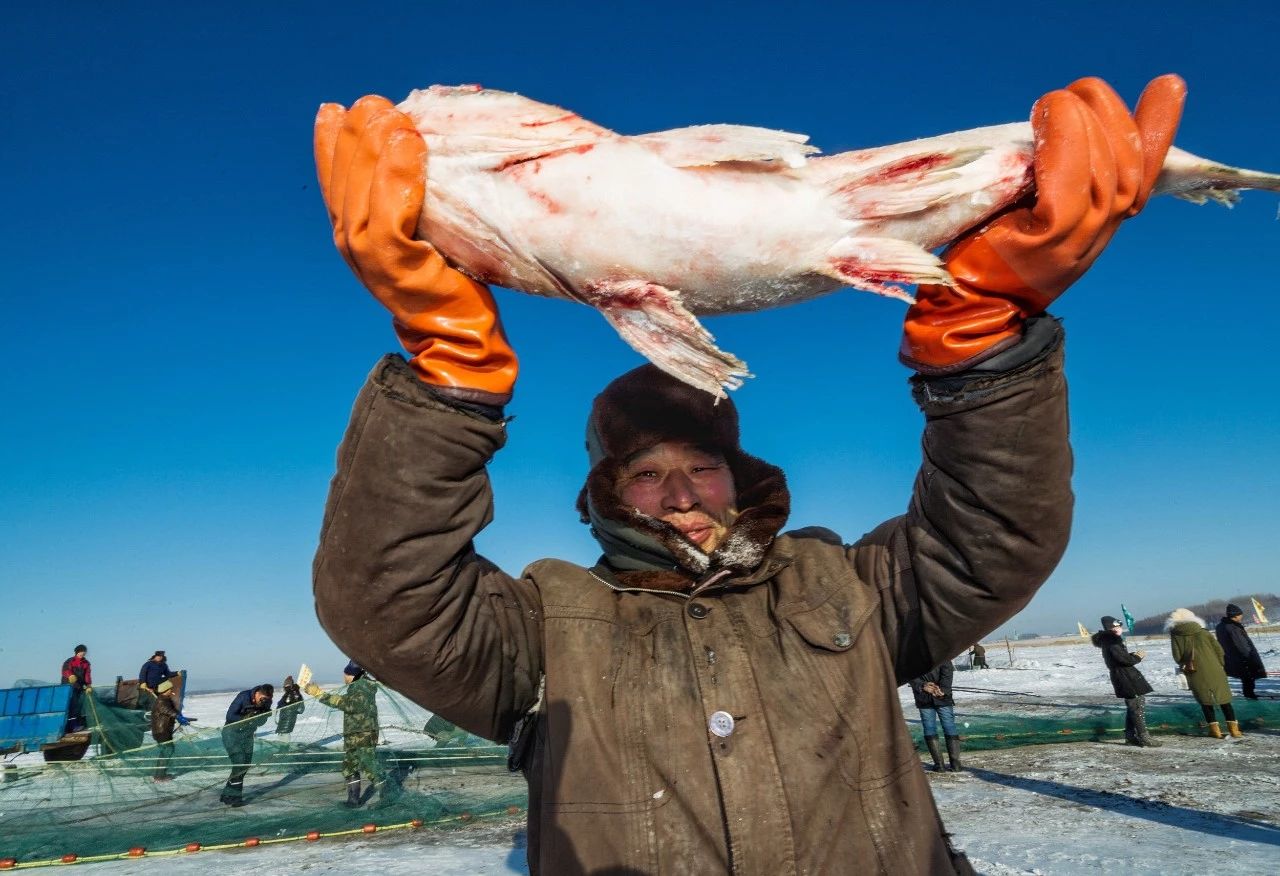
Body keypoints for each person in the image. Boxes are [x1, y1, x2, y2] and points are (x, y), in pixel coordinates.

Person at [311, 75, 1184, 874]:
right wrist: (448, 374)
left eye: (702, 465)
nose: (682, 491)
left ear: (741, 475)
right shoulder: (542, 631)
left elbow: (993, 535)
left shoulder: (848, 587)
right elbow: (382, 592)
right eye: (646, 473)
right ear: (605, 490)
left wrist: (984, 350)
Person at [304, 660, 383, 807]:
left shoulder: (363, 687)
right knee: (350, 767)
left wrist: (319, 694)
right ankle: (353, 800)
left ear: (352, 675)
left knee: (370, 767)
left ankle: (388, 796)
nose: (344, 677)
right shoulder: (356, 687)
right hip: (353, 735)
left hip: (363, 735)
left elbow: (349, 704)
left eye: (345, 674)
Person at [1167, 609, 1240, 738]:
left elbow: (1177, 657)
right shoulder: (1204, 632)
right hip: (1215, 669)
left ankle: (1215, 731)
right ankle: (1234, 730)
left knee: (1205, 702)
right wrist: (1220, 664)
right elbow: (1219, 651)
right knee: (1224, 700)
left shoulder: (1175, 636)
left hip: (1194, 672)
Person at [1091, 615, 1160, 747]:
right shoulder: (1112, 641)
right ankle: (1144, 737)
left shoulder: (1110, 640)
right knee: (1137, 707)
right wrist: (1137, 656)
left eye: (1119, 626)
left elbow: (1120, 657)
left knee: (1133, 707)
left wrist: (1131, 655)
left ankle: (1130, 736)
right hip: (1125, 677)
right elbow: (1124, 660)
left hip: (1124, 675)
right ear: (1108, 628)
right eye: (1114, 627)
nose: (1118, 629)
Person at [219, 683, 274, 806]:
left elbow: (260, 723)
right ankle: (235, 798)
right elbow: (230, 715)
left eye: (268, 699)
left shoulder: (266, 702)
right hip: (231, 733)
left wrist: (264, 714)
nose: (264, 701)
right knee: (239, 764)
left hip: (247, 736)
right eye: (263, 698)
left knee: (245, 766)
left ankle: (227, 794)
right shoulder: (243, 697)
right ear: (258, 693)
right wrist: (246, 717)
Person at [909, 662, 962, 771]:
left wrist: (942, 689)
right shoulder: (938, 650)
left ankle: (946, 764)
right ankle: (944, 764)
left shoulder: (913, 654)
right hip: (926, 697)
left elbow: (947, 669)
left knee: (944, 726)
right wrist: (923, 686)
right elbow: (910, 674)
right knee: (939, 727)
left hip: (937, 696)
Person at [1215, 603, 1267, 700]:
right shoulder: (1233, 627)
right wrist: (1249, 656)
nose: (1241, 616)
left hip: (1231, 657)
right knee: (1248, 677)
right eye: (1240, 614)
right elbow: (1241, 644)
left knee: (1246, 677)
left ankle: (1249, 693)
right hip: (1241, 658)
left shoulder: (1221, 626)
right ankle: (1250, 695)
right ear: (1235, 615)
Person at [150, 678, 192, 782]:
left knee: (166, 751)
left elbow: (172, 710)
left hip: (164, 730)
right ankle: (159, 776)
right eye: (170, 688)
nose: (171, 690)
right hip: (161, 731)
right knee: (167, 750)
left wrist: (179, 716)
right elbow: (167, 710)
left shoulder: (166, 699)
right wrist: (178, 717)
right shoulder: (161, 700)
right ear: (166, 689)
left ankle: (159, 774)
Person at [60, 644, 92, 731]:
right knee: (71, 705)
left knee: (78, 706)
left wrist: (88, 685)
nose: (83, 653)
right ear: (77, 652)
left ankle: (77, 724)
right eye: (81, 651)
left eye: (84, 652)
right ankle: (71, 726)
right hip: (68, 687)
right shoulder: (70, 661)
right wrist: (70, 675)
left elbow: (87, 675)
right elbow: (65, 670)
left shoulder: (86, 663)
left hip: (78, 687)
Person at [275, 675, 305, 742]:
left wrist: (291, 708)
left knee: (284, 745)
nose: (286, 687)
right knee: (281, 745)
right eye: (285, 686)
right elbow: (280, 704)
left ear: (291, 686)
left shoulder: (296, 694)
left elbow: (300, 709)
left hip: (287, 726)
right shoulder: (286, 695)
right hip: (281, 725)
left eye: (288, 686)